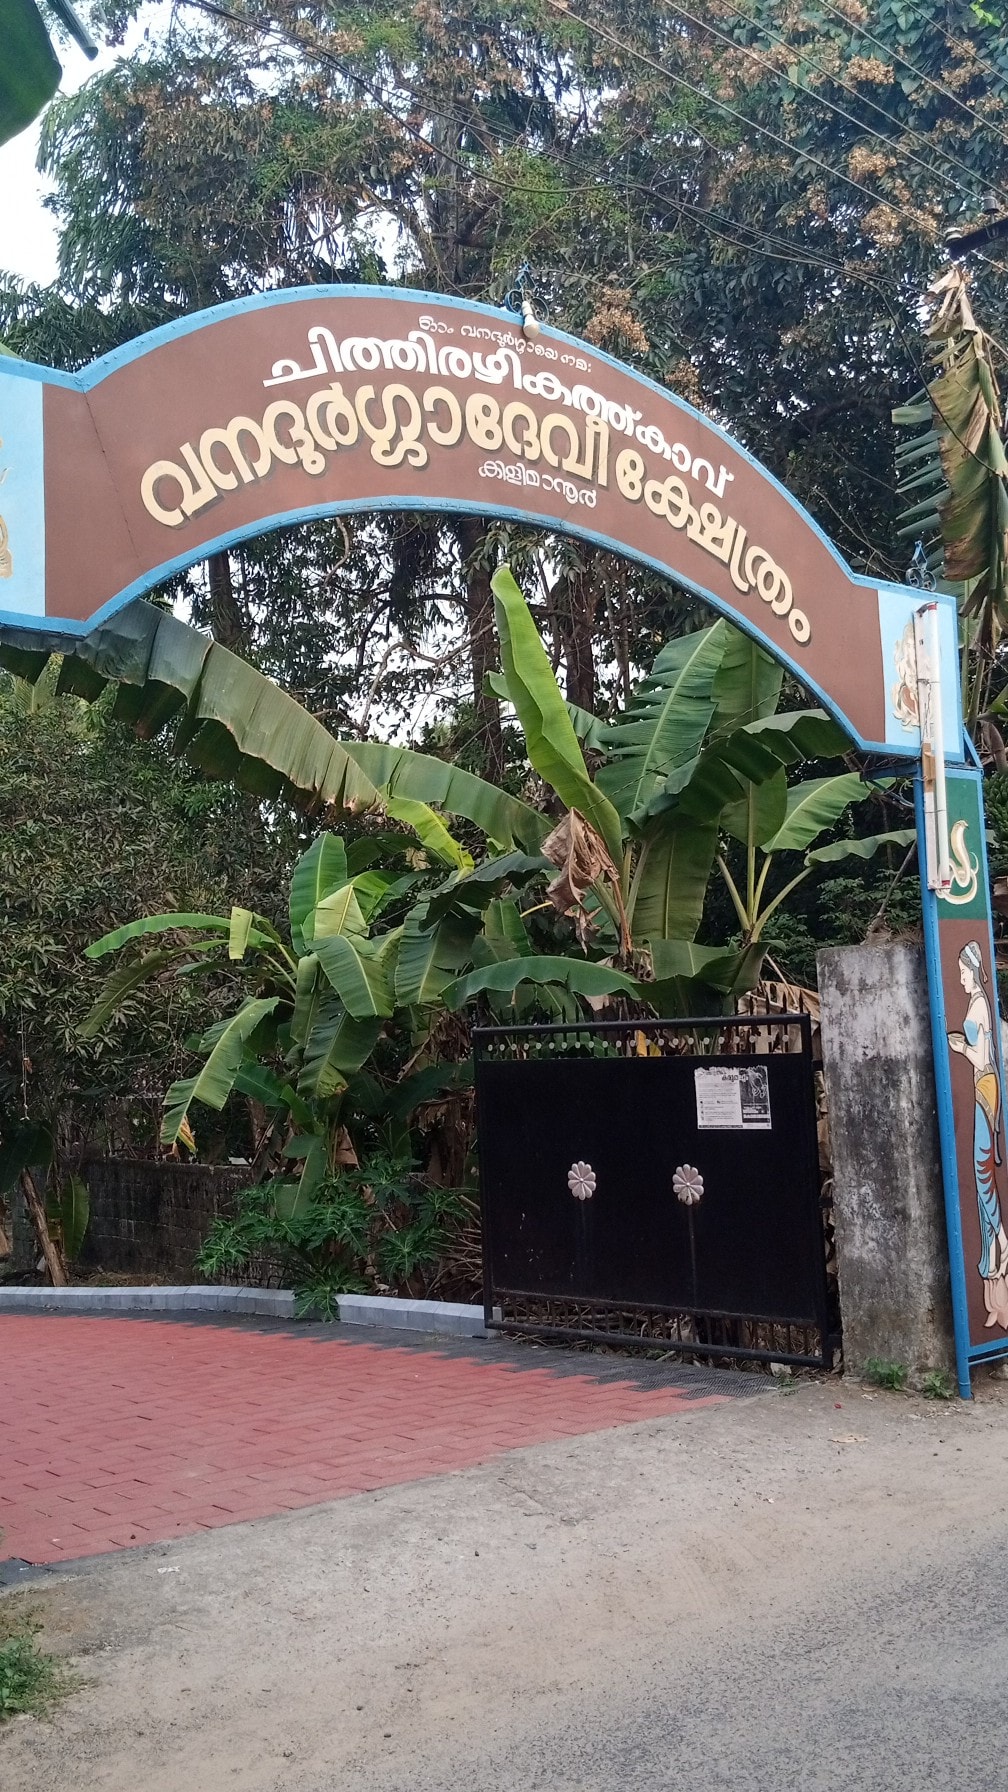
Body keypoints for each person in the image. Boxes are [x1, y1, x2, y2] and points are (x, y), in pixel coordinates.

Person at [947, 940, 1008, 1329]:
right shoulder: (977, 1004)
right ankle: (993, 1273)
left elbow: (981, 1056)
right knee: (979, 1171)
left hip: (984, 1087)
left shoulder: (980, 1005)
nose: (962, 977)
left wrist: (958, 1045)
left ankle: (1000, 1239)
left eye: (965, 972)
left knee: (982, 1172)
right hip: (982, 1086)